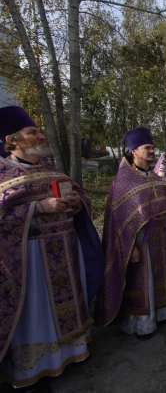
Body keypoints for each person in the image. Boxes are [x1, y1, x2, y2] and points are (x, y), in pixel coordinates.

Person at [0, 106, 104, 389]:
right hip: (29, 258)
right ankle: (33, 368)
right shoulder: (2, 174)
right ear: (12, 140)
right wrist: (37, 207)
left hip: (66, 252)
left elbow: (80, 195)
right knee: (36, 311)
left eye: (39, 131)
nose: (41, 135)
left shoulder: (50, 169)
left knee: (68, 302)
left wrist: (76, 204)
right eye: (32, 132)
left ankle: (72, 353)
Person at [95, 128, 166, 338]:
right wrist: (129, 247)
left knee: (162, 275)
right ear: (133, 151)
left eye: (152, 147)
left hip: (161, 238)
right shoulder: (123, 182)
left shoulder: (157, 178)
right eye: (147, 148)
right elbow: (118, 221)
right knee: (143, 279)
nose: (152, 151)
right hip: (140, 242)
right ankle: (142, 323)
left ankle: (162, 312)